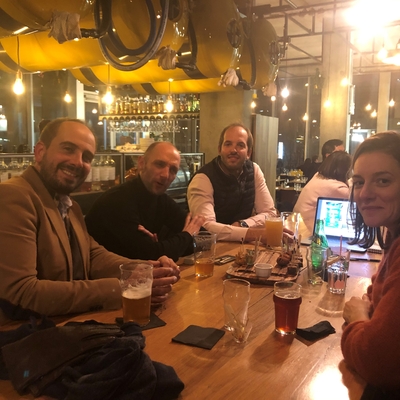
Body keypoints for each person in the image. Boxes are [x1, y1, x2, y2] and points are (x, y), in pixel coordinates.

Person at [0, 118, 179, 325]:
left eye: (86, 157)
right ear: (40, 151)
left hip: (66, 327)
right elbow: (20, 293)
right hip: (23, 337)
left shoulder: (69, 205)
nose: (78, 162)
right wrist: (121, 288)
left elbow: (93, 255)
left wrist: (146, 269)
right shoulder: (14, 196)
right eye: (68, 149)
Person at [341, 131, 400, 394]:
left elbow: (375, 360)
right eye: (359, 182)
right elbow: (378, 294)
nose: (364, 194)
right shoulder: (393, 233)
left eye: (383, 181)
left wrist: (357, 317)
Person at [85, 142, 205, 261]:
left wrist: (162, 245)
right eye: (159, 164)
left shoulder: (161, 200)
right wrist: (187, 235)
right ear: (141, 163)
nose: (165, 175)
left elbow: (204, 239)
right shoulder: (117, 201)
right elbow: (150, 255)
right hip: (104, 272)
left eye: (173, 170)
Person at [187, 122, 280, 244]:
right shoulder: (203, 178)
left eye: (240, 145)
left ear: (248, 153)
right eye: (228, 144)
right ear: (219, 149)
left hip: (241, 247)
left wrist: (243, 224)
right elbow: (206, 227)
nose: (233, 150)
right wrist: (253, 234)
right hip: (209, 250)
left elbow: (270, 213)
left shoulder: (254, 170)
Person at [293, 151, 351, 230]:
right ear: (346, 171)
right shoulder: (337, 188)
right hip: (305, 231)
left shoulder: (317, 176)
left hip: (296, 224)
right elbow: (356, 201)